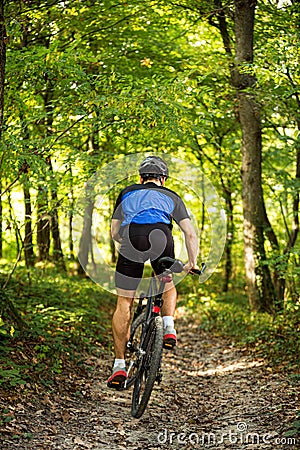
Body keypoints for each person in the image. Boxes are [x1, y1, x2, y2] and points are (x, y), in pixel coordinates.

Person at [107, 156, 199, 389]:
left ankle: (119, 365)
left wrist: (123, 240)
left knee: (124, 301)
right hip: (162, 237)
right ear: (163, 179)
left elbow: (114, 230)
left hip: (132, 238)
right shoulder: (172, 196)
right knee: (167, 284)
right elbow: (190, 233)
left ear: (141, 178)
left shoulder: (127, 192)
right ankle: (168, 327)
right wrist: (192, 263)